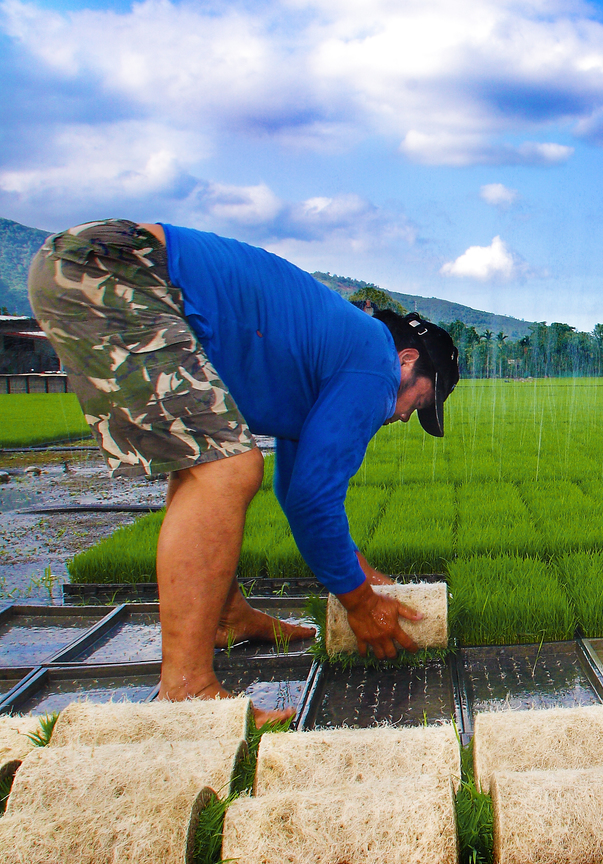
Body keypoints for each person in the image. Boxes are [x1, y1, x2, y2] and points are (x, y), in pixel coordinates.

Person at [28, 219, 459, 723]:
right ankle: (187, 693)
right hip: (120, 270)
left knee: (207, 463)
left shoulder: (336, 348)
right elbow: (314, 501)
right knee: (230, 468)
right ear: (406, 361)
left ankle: (227, 615)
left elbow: (298, 492)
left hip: (97, 263)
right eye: (418, 399)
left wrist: (366, 579)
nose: (405, 414)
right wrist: (360, 604)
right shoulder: (374, 365)